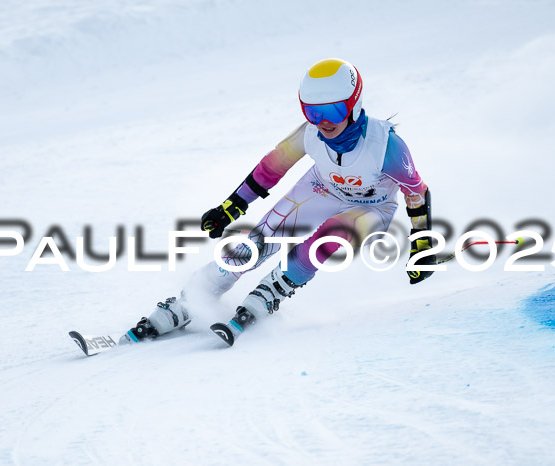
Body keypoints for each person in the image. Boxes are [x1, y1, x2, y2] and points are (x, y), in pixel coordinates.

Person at [129, 58, 435, 346]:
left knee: (330, 238)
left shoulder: (386, 146)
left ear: (355, 106)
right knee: (259, 240)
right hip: (322, 188)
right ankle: (193, 299)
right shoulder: (310, 134)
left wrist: (422, 244)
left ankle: (274, 289)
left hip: (372, 206)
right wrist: (232, 206)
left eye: (333, 112)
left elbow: (416, 193)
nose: (323, 123)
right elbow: (271, 168)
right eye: (312, 113)